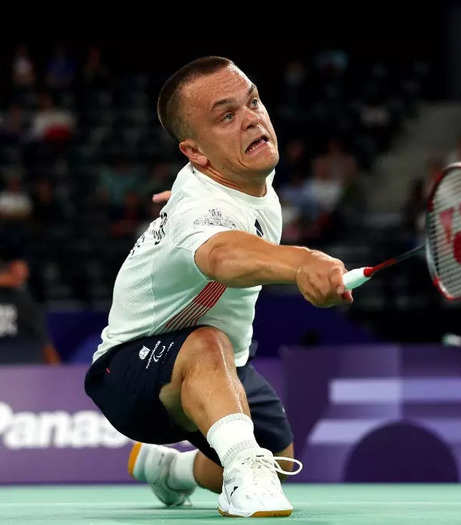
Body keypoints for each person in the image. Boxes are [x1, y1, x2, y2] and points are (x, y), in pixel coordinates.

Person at [84, 56, 353, 519]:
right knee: (209, 344)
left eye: (252, 102)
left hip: (219, 363)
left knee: (279, 456)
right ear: (195, 152)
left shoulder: (245, 174)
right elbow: (222, 256)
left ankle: (172, 473)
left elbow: (217, 202)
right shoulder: (198, 211)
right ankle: (242, 474)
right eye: (227, 115)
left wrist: (189, 192)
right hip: (129, 371)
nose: (252, 118)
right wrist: (304, 261)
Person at [0, 234, 60, 365]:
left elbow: (43, 336)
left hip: (20, 358)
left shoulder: (23, 298)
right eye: (17, 271)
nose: (24, 275)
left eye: (25, 270)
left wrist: (56, 369)